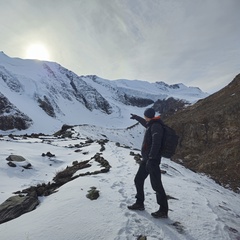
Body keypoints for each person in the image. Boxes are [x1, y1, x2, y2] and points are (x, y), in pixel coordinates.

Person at [127, 107, 169, 218]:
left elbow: (156, 143)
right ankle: (139, 203)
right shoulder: (151, 123)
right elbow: (144, 123)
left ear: (148, 116)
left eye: (145, 116)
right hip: (146, 160)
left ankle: (163, 210)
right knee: (138, 180)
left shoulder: (156, 126)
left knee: (157, 186)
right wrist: (137, 118)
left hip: (152, 161)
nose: (144, 118)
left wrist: (151, 157)